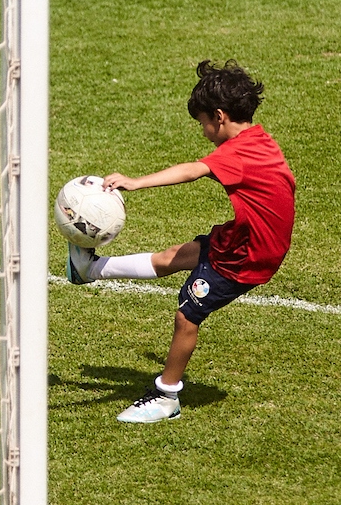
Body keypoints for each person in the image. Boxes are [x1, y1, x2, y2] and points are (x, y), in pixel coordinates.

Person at [66, 59, 295, 424]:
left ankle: (166, 395)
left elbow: (194, 170)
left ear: (219, 117)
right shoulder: (259, 141)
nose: (203, 130)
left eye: (203, 122)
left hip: (247, 258)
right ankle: (90, 269)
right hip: (244, 238)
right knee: (177, 255)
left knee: (187, 315)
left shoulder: (236, 153)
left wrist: (136, 181)